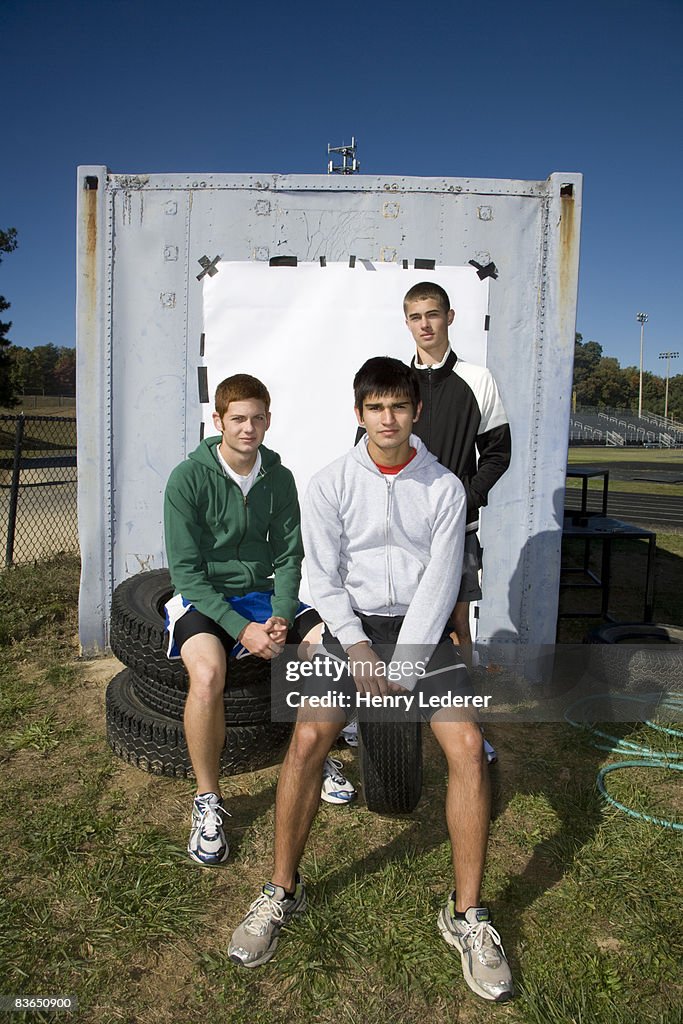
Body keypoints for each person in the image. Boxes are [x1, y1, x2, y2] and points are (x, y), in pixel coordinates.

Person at [228, 358, 513, 1003]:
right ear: (359, 413)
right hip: (350, 629)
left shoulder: (444, 488)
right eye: (375, 407)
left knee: (468, 748)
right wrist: (355, 646)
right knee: (307, 742)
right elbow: (320, 575)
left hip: (422, 630)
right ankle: (280, 891)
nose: (388, 419)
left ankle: (467, 916)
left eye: (400, 407)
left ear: (416, 413)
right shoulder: (329, 483)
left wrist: (406, 664)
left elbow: (441, 581)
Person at [163, 374, 355, 868]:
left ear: (269, 420)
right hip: (205, 597)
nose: (249, 428)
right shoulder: (188, 479)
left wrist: (281, 614)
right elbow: (185, 571)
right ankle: (208, 799)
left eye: (257, 418)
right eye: (238, 419)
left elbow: (290, 555)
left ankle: (317, 754)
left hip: (263, 594)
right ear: (219, 421)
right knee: (207, 675)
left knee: (326, 651)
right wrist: (238, 627)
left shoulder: (280, 476)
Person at [403, 281, 512, 673]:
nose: (425, 325)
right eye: (415, 317)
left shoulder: (477, 378)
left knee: (457, 625)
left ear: (449, 317)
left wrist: (466, 498)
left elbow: (498, 454)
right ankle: (391, 705)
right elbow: (365, 451)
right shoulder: (397, 382)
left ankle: (465, 704)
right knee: (398, 621)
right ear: (407, 323)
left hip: (458, 528)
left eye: (432, 314)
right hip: (402, 529)